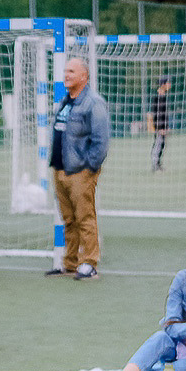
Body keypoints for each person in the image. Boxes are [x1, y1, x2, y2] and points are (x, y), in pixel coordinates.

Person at [47, 57, 109, 280]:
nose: (66, 75)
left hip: (80, 172)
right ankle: (70, 262)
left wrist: (89, 167)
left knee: (85, 218)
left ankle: (89, 262)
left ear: (84, 76)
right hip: (61, 170)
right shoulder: (66, 101)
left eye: (72, 71)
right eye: (65, 71)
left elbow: (101, 141)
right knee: (69, 219)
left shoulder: (93, 102)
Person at [149, 75, 170, 172]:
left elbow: (164, 114)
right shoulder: (158, 97)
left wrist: (166, 127)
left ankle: (158, 164)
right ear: (163, 84)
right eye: (168, 83)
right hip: (159, 128)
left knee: (162, 145)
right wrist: (160, 128)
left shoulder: (163, 96)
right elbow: (157, 114)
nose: (169, 85)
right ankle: (155, 165)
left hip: (163, 127)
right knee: (157, 145)